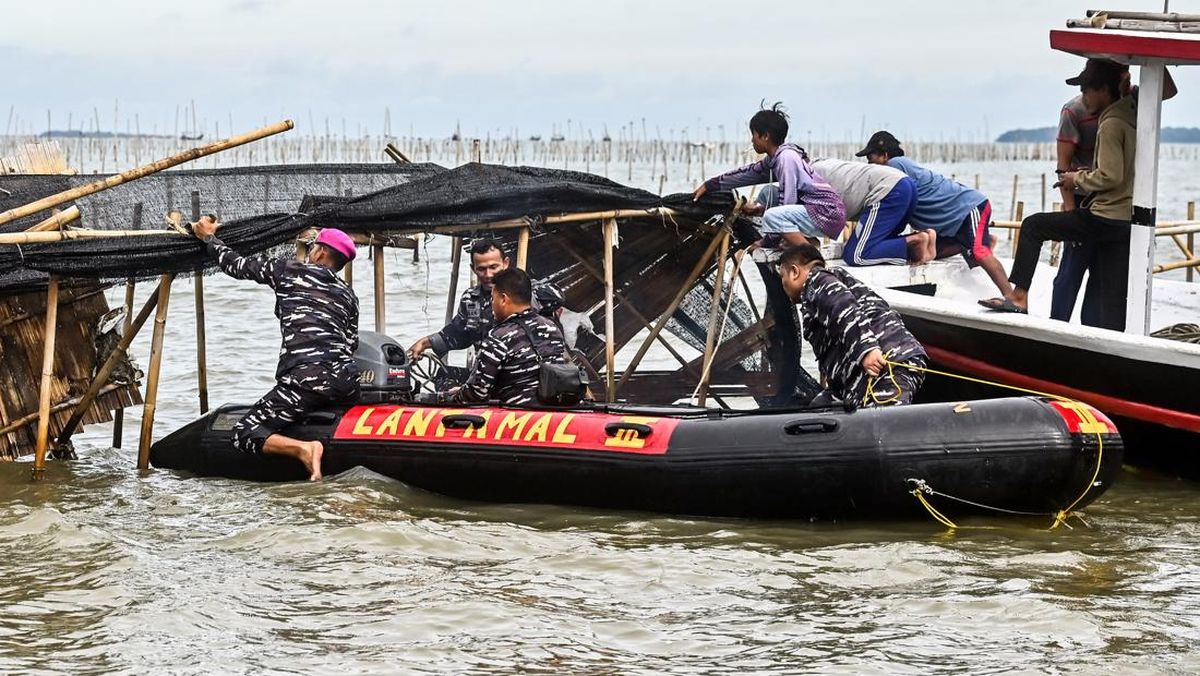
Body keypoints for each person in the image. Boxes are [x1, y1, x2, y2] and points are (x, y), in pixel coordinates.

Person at [193, 216, 360, 481]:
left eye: (314, 246)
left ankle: (305, 448)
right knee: (311, 401)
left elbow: (236, 266)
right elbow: (352, 344)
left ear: (320, 252)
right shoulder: (349, 295)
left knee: (245, 432)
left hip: (306, 381)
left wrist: (208, 238)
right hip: (346, 383)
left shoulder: (289, 270)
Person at [980, 59, 1136, 330]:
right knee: (1107, 292)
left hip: (1103, 215)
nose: (1083, 97)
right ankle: (1109, 342)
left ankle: (1018, 297)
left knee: (1033, 226)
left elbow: (1110, 176)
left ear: (1102, 89)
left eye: (1087, 89)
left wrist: (1077, 179)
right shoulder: (1134, 111)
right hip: (1126, 220)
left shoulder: (1110, 122)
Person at [1051, 62, 1175, 325]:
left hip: (1115, 205)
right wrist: (1070, 210)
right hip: (1083, 197)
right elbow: (1063, 167)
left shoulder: (1133, 100)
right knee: (1071, 271)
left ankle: (1094, 332)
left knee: (1102, 276)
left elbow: (1168, 90)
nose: (1086, 95)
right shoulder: (1074, 110)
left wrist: (1153, 58)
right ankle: (1055, 325)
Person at [861, 131, 1013, 299]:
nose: (869, 164)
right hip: (953, 220)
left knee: (979, 251)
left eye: (871, 158)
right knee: (930, 252)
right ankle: (976, 241)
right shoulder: (897, 167)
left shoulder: (893, 166)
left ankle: (1011, 297)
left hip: (968, 207)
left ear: (884, 155)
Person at [777, 244, 927, 407]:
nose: (782, 285)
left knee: (882, 423)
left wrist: (867, 350)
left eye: (782, 277)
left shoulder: (817, 280)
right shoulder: (822, 285)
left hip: (887, 363)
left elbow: (844, 307)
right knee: (818, 408)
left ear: (794, 272)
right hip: (860, 378)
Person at [693, 102, 846, 248]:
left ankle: (808, 253)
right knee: (767, 193)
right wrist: (711, 184)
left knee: (773, 216)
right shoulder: (774, 158)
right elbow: (748, 173)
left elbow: (788, 202)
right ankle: (804, 240)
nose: (752, 140)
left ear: (765, 136)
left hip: (827, 215)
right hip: (812, 211)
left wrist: (767, 242)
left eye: (753, 135)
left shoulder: (787, 158)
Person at [408, 238, 564, 359]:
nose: (488, 275)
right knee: (443, 379)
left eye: (493, 267)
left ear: (505, 263)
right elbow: (458, 334)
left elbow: (558, 297)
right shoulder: (471, 299)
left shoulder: (526, 290)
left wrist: (519, 291)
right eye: (481, 269)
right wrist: (425, 342)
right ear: (473, 269)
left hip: (527, 369)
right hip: (489, 370)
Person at [441, 268, 569, 406]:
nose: (491, 303)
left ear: (503, 299)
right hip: (552, 412)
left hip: (516, 417)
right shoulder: (552, 328)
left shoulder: (498, 337)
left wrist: (449, 397)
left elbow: (476, 393)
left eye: (493, 298)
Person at [810, 158, 933, 266]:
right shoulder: (820, 165)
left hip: (888, 191)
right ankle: (925, 236)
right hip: (905, 184)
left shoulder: (805, 177)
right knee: (883, 241)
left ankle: (914, 243)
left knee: (855, 255)